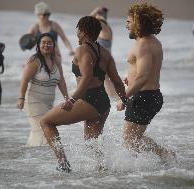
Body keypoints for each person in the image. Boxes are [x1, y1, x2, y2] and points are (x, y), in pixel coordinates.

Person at [40, 16, 127, 172]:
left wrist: (72, 100)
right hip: (102, 102)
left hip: (89, 99)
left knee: (46, 122)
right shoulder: (105, 53)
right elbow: (117, 81)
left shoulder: (82, 50)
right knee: (92, 143)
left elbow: (86, 78)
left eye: (78, 31)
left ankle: (63, 164)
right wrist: (125, 101)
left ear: (84, 32)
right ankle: (104, 172)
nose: (77, 35)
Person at [117, 3, 175, 160]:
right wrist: (131, 77)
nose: (126, 25)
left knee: (129, 141)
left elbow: (143, 76)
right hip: (152, 95)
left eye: (129, 22)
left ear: (139, 23)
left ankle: (158, 159)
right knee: (134, 139)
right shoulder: (154, 41)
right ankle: (164, 155)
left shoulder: (142, 45)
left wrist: (123, 97)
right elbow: (147, 71)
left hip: (144, 96)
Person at [17, 33, 69, 146]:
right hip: (34, 102)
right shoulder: (34, 61)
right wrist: (21, 98)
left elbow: (61, 81)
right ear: (38, 45)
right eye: (43, 42)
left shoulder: (57, 60)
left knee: (42, 130)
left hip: (49, 102)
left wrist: (67, 98)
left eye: (49, 43)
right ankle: (42, 158)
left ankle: (31, 155)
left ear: (54, 45)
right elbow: (24, 80)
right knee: (44, 131)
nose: (46, 45)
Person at [90, 6, 117, 97]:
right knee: (105, 81)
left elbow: (87, 21)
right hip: (106, 59)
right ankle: (114, 100)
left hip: (103, 60)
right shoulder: (106, 27)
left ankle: (113, 100)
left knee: (104, 81)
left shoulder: (102, 24)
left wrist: (95, 10)